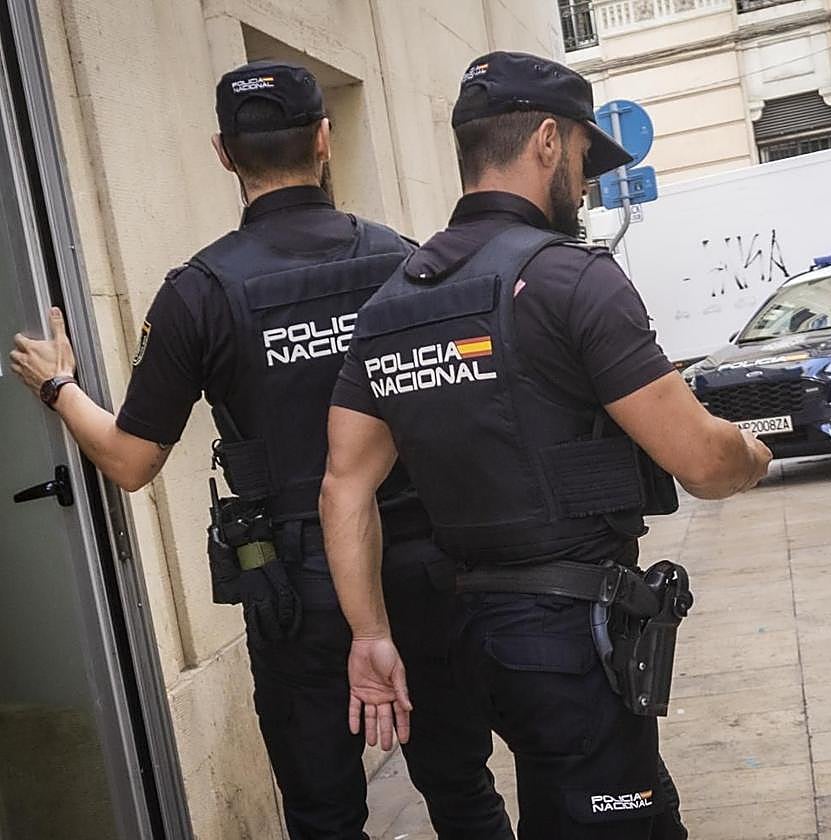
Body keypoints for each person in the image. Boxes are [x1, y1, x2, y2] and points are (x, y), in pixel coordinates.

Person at [8, 60, 509, 840]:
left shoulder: (199, 291)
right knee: (463, 790)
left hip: (298, 592)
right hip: (419, 565)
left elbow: (131, 462)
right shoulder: (403, 262)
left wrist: (57, 387)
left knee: (323, 815)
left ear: (222, 152)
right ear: (322, 139)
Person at [321, 51, 773, 839]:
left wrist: (369, 635)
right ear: (545, 143)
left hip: (455, 637)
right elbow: (702, 462)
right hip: (566, 637)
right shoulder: (571, 280)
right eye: (584, 158)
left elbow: (345, 487)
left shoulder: (392, 305)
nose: (587, 182)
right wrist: (754, 454)